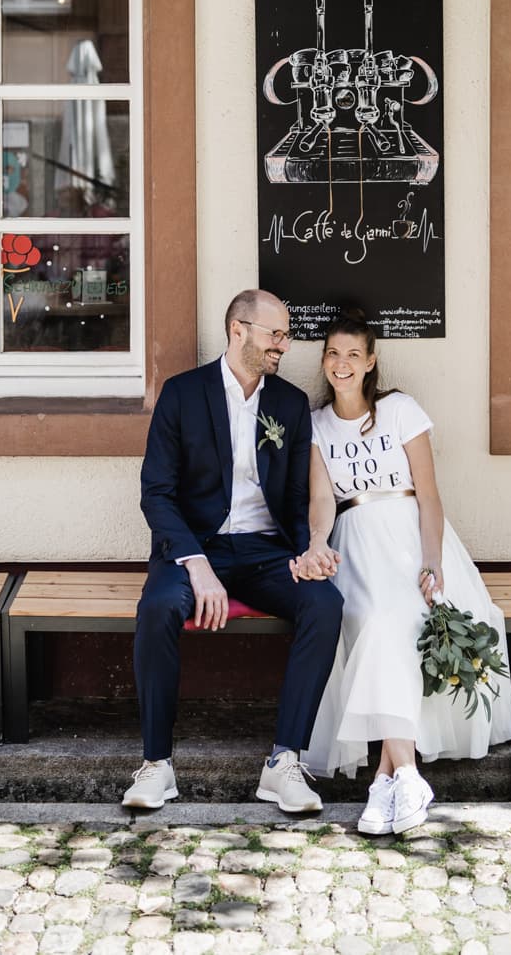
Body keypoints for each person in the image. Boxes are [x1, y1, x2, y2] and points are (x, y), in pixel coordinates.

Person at [292, 311, 511, 835]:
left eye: (352, 354)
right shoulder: (317, 425)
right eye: (332, 353)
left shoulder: (399, 410)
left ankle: (385, 781)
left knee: (405, 619)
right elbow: (322, 500)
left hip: (412, 537)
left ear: (370, 361)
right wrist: (318, 544)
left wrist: (432, 559)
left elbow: (429, 494)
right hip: (356, 542)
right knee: (376, 621)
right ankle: (406, 775)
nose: (340, 364)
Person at [126, 288, 344, 812]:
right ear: (238, 330)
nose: (283, 346)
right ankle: (156, 764)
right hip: (195, 550)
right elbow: (155, 493)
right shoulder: (182, 394)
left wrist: (308, 550)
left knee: (325, 603)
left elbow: (294, 498)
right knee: (157, 608)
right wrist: (194, 565)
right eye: (276, 334)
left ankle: (284, 762)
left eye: (286, 336)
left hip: (266, 552)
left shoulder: (289, 405)